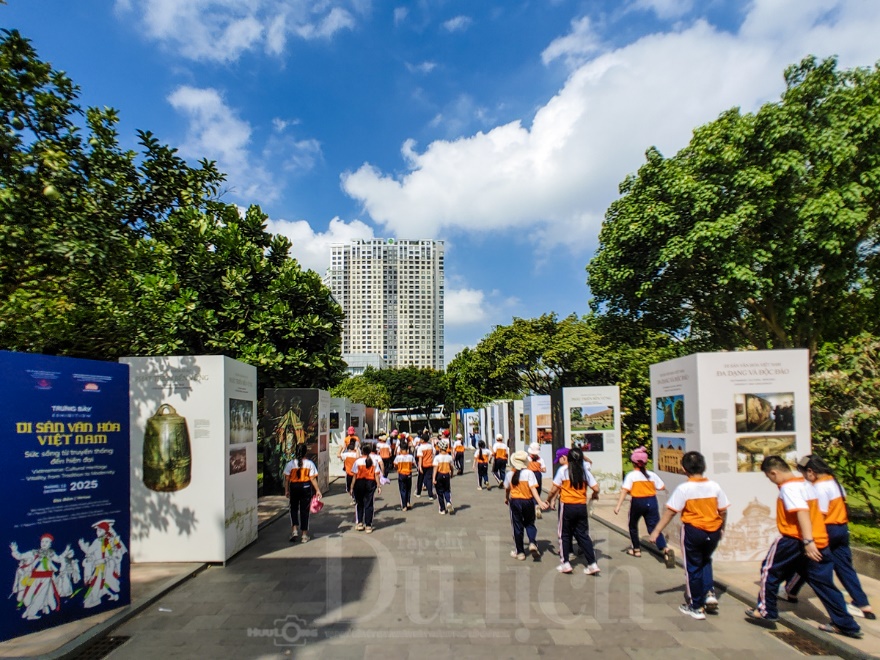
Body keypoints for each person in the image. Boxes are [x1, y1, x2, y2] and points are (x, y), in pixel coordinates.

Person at [743, 455, 861, 639]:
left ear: (774, 472)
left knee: (769, 571)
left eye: (769, 477)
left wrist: (807, 542)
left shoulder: (789, 488)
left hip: (794, 539)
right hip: (820, 539)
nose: (771, 481)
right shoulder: (807, 484)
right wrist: (813, 540)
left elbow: (802, 513)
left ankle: (766, 610)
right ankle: (846, 624)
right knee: (823, 583)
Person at [784, 455, 875, 619]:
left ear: (811, 471)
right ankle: (862, 604)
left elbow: (820, 514)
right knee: (845, 568)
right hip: (841, 529)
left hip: (827, 530)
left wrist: (808, 538)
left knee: (807, 562)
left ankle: (790, 591)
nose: (804, 477)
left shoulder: (819, 487)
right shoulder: (836, 483)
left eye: (804, 473)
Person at [649, 451, 728, 619]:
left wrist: (656, 531)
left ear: (684, 469)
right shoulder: (714, 486)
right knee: (706, 560)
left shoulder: (684, 488)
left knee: (692, 566)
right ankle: (709, 593)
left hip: (694, 530)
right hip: (713, 530)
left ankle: (696, 606)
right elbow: (723, 510)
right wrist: (722, 528)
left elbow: (670, 512)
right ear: (704, 467)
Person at [544, 446, 600, 575]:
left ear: (567, 458)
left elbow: (553, 489)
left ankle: (565, 563)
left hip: (567, 505)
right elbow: (596, 488)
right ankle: (592, 563)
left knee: (564, 533)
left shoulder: (563, 470)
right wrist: (594, 495)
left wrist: (548, 499)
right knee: (583, 534)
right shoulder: (585, 471)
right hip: (581, 506)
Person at [615, 446, 674, 566]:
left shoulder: (631, 475)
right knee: (653, 526)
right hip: (651, 501)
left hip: (637, 502)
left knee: (633, 524)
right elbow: (661, 487)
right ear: (646, 462)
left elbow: (625, 490)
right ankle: (665, 549)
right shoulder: (651, 475)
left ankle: (636, 549)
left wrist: (618, 506)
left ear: (633, 462)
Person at [505, 451, 548, 560]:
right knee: (530, 524)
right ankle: (532, 542)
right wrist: (540, 502)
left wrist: (506, 498)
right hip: (528, 502)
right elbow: (533, 489)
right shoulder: (529, 473)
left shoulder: (510, 474)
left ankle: (520, 552)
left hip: (515, 502)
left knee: (517, 526)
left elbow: (507, 489)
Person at [79, 520, 127, 608]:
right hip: (101, 567)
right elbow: (90, 552)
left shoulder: (110, 541)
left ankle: (95, 600)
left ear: (106, 531)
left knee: (101, 583)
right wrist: (82, 546)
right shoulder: (98, 541)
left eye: (100, 530)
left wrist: (105, 560)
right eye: (97, 530)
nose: (98, 532)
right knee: (100, 583)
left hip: (108, 567)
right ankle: (110, 595)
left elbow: (117, 554)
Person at [283, 443, 322, 543]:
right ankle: (304, 535)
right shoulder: (310, 464)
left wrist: (286, 490)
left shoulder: (290, 464)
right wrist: (317, 490)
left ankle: (294, 530)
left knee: (293, 509)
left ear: (296, 452)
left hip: (294, 487)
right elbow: (312, 478)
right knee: (305, 511)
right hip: (306, 487)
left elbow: (287, 479)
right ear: (306, 452)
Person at [351, 444, 382, 533]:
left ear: (362, 451)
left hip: (359, 483)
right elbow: (376, 475)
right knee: (369, 504)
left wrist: (352, 487)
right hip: (370, 483)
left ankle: (360, 523)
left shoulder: (357, 462)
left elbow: (354, 476)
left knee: (359, 503)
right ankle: (368, 525)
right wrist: (379, 486)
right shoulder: (374, 462)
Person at [433, 439, 456, 514]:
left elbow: (435, 469)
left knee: (439, 492)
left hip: (439, 475)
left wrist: (433, 478)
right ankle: (448, 501)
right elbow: (451, 467)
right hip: (446, 475)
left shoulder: (437, 457)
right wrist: (452, 474)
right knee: (447, 490)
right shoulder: (449, 457)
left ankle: (442, 509)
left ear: (439, 448)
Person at [527, 443, 547, 519]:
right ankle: (537, 505)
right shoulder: (540, 460)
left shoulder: (527, 459)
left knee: (530, 491)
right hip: (538, 475)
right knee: (537, 491)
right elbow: (544, 470)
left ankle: (532, 506)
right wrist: (539, 469)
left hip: (530, 475)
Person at [394, 441, 416, 511]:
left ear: (400, 449)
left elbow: (395, 465)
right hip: (409, 474)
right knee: (408, 489)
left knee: (402, 490)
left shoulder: (398, 457)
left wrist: (397, 468)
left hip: (401, 474)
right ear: (407, 449)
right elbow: (413, 464)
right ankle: (408, 502)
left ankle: (404, 506)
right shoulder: (410, 456)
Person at [340, 438, 359, 504]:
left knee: (349, 487)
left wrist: (341, 448)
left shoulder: (346, 454)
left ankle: (354, 497)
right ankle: (356, 497)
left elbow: (338, 455)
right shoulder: (357, 454)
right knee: (356, 486)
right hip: (356, 473)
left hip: (349, 473)